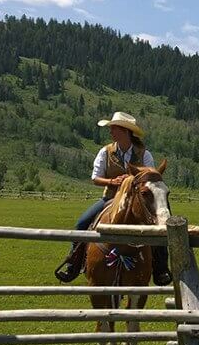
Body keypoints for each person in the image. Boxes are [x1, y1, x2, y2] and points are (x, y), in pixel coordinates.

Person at [54, 112, 170, 285]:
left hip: (137, 201)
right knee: (82, 223)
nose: (111, 132)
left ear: (125, 131)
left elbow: (151, 180)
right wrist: (112, 181)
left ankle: (161, 268)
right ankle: (73, 263)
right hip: (110, 199)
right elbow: (95, 178)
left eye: (114, 128)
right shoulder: (105, 151)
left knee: (159, 226)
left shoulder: (145, 154)